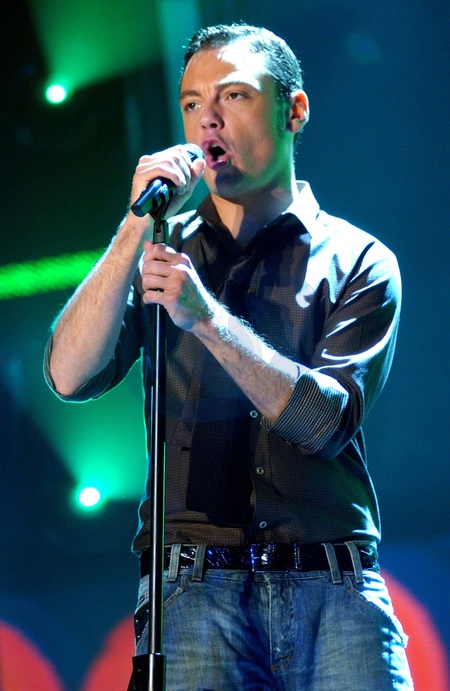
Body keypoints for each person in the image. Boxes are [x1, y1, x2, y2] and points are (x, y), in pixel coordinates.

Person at [44, 22, 414, 690]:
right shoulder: (160, 253)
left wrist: (207, 319)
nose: (206, 118)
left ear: (293, 110)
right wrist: (134, 225)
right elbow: (68, 374)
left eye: (234, 95)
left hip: (333, 590)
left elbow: (323, 423)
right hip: (193, 594)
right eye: (192, 102)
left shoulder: (360, 260)